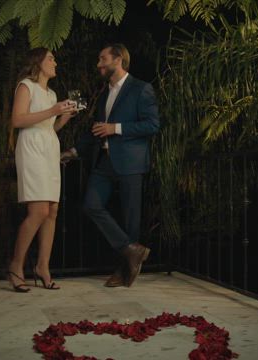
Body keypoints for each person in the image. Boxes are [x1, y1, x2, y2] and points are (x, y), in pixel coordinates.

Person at [61, 43, 160, 287]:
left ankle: (124, 271)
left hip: (131, 163)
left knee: (130, 220)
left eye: (102, 58)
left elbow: (152, 125)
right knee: (91, 205)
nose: (99, 64)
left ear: (118, 59)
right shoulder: (105, 93)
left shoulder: (141, 89)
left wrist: (115, 128)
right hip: (104, 163)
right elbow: (95, 130)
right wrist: (73, 151)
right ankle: (131, 250)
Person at [7, 47, 77, 292]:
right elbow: (17, 120)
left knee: (52, 211)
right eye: (51, 58)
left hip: (49, 149)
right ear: (38, 62)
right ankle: (16, 266)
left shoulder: (52, 93)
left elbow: (48, 128)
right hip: (31, 149)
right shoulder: (26, 86)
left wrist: (63, 118)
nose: (55, 62)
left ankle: (42, 267)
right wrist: (53, 110)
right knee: (38, 211)